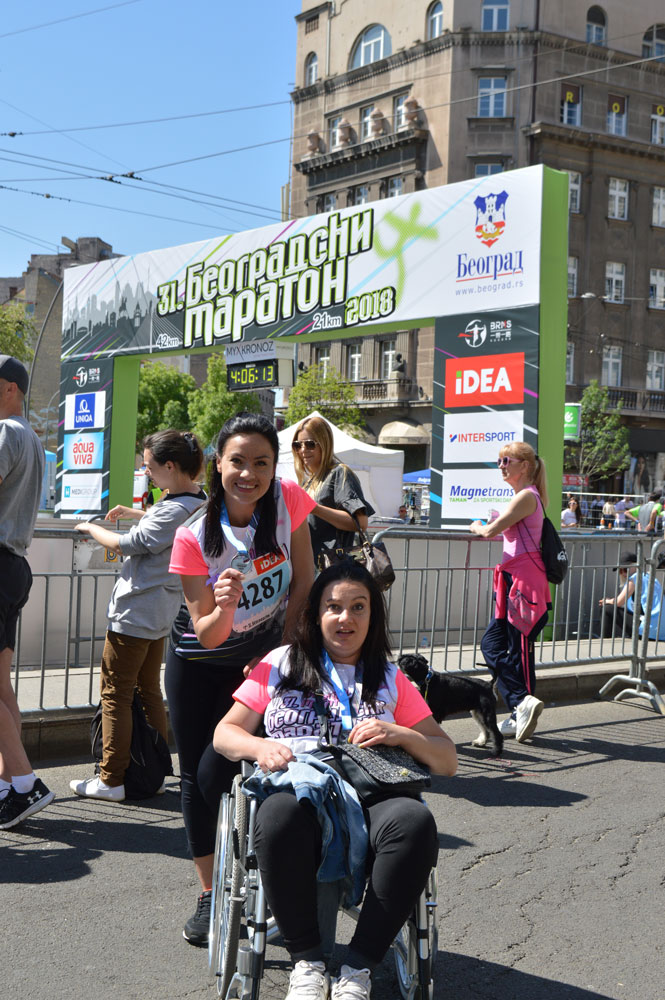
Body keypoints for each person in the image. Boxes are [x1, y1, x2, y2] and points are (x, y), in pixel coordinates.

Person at [213, 561, 457, 1000]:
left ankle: (358, 968)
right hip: (300, 783)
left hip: (371, 787)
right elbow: (224, 733)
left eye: (358, 607)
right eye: (334, 607)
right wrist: (259, 747)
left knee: (413, 822)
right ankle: (307, 963)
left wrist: (399, 733)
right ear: (316, 613)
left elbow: (447, 759)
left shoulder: (390, 678)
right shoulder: (280, 663)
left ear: (373, 616)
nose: (346, 618)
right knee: (278, 816)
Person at [166, 412, 315, 947]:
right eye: (237, 462)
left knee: (251, 766)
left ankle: (264, 874)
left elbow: (304, 580)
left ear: (275, 468)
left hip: (262, 662)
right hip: (198, 665)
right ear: (217, 465)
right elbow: (206, 633)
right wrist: (225, 606)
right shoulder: (192, 536)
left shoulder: (290, 502)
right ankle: (211, 893)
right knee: (198, 778)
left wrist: (277, 652)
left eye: (261, 463)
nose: (248, 474)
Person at [69, 430, 206, 801]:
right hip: (161, 610)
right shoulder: (198, 501)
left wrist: (91, 528)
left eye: (149, 466)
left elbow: (130, 543)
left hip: (136, 610)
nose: (146, 472)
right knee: (148, 692)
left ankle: (110, 778)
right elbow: (166, 525)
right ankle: (154, 773)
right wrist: (138, 513)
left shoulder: (172, 508)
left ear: (170, 466)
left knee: (115, 693)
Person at [0, 357, 52, 831]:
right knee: (2, 685)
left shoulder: (5, 432)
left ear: (10, 389)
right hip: (13, 565)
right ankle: (8, 784)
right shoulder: (32, 438)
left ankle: (24, 782)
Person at [469, 442, 551, 742]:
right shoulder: (523, 497)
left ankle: (520, 708)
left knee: (519, 653)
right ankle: (521, 704)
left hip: (524, 584)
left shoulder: (527, 496)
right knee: (494, 645)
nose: (501, 466)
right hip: (513, 581)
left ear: (524, 466)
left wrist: (476, 525)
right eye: (499, 461)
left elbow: (490, 531)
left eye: (507, 460)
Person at [291, 415, 374, 567]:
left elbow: (361, 523)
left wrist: (314, 508)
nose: (303, 450)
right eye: (298, 445)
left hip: (333, 567)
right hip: (309, 565)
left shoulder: (339, 473)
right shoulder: (307, 481)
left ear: (324, 444)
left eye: (310, 444)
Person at [599, 551, 665, 640]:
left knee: (607, 608)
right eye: (620, 571)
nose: (623, 574)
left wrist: (608, 601)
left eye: (625, 569)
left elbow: (618, 602)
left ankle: (604, 641)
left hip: (648, 630)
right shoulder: (650, 578)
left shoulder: (635, 578)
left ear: (636, 566)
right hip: (660, 632)